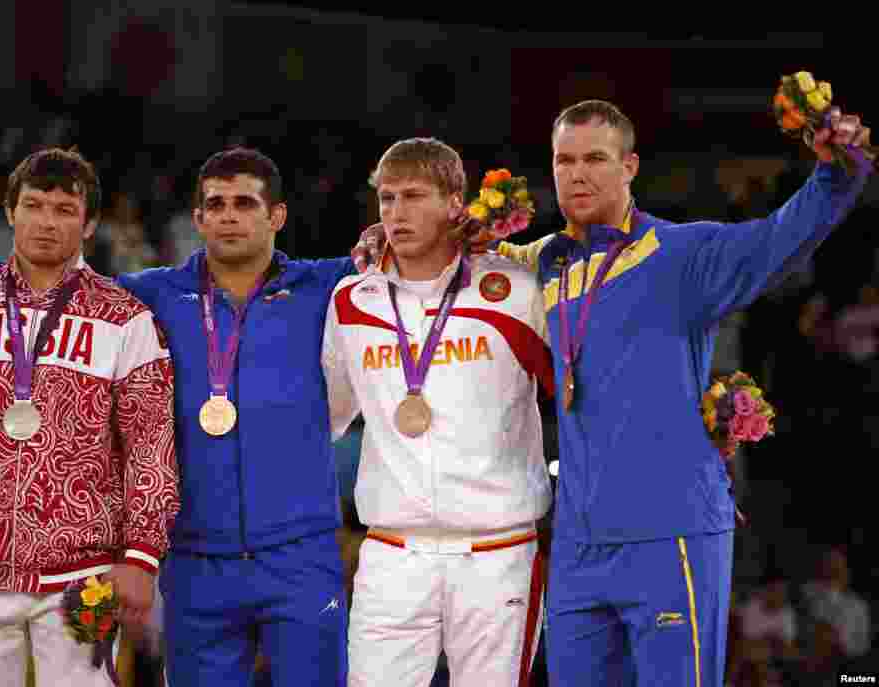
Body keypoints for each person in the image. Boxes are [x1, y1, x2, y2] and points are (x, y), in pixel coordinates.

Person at [352, 100, 871, 686]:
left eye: (595, 158)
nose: (577, 173)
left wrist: (838, 170)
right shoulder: (537, 266)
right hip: (577, 546)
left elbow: (782, 237)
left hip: (670, 531)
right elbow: (447, 264)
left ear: (630, 167)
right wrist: (389, 239)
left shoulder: (683, 255)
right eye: (564, 160)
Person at [0, 146, 356, 686]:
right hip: (196, 560)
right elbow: (56, 281)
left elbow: (409, 261)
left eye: (245, 203)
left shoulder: (329, 286)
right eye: (214, 204)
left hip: (300, 555)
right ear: (196, 218)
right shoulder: (152, 294)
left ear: (278, 217)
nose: (228, 215)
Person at [0, 147, 179, 687]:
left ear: (90, 224)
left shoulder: (124, 318)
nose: (47, 222)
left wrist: (142, 556)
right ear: (9, 211)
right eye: (34, 205)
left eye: (65, 210)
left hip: (83, 577)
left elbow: (150, 445)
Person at [323, 137, 554, 687]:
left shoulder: (515, 292)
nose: (396, 213)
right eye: (386, 199)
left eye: (413, 197)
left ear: (456, 202)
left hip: (497, 550)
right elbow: (324, 418)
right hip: (392, 552)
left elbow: (579, 395)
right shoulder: (352, 302)